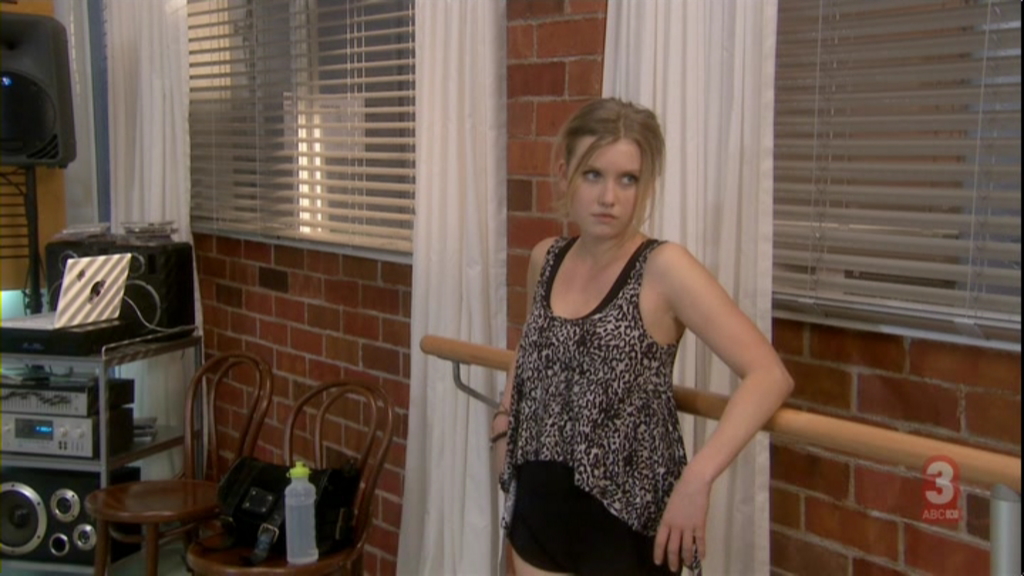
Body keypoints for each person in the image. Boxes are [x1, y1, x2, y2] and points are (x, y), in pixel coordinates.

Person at [489, 98, 794, 576]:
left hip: (626, 523)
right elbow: (531, 351)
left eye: (627, 179)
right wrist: (504, 423)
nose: (609, 197)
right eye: (593, 174)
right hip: (539, 512)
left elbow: (769, 375)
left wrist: (698, 478)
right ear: (565, 174)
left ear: (645, 185)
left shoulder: (663, 268)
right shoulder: (546, 258)